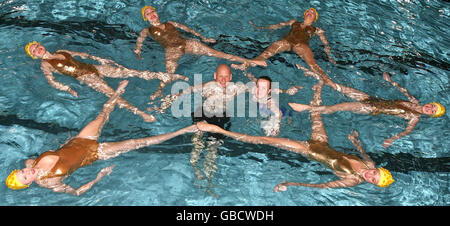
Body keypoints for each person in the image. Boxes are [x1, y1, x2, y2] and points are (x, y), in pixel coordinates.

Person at [5, 80, 198, 195]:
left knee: (103, 114)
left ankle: (118, 90)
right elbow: (77, 192)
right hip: (95, 154)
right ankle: (182, 131)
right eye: (25, 178)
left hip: (80, 140)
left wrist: (64, 145)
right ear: (29, 184)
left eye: (22, 172)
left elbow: (55, 154)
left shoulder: (31, 163)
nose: (27, 173)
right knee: (136, 143)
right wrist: (99, 176)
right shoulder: (51, 183)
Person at [196, 80, 395, 190]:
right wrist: (357, 143)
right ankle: (319, 85)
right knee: (316, 112)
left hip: (307, 150)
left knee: (265, 140)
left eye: (372, 180)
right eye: (375, 174)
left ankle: (219, 130)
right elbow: (364, 154)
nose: (370, 175)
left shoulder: (351, 180)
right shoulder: (369, 164)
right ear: (377, 169)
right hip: (321, 142)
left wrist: (290, 183)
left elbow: (321, 185)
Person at [25, 41, 189, 122]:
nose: (37, 49)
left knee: (132, 72)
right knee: (113, 95)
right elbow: (51, 81)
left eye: (37, 46)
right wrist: (68, 89)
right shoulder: (45, 64)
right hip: (86, 77)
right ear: (35, 56)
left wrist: (100, 59)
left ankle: (169, 76)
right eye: (34, 50)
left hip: (94, 67)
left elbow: (82, 54)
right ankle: (141, 113)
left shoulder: (61, 51)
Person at [292, 66, 446, 148]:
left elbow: (407, 131)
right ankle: (315, 75)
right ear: (430, 103)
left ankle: (309, 109)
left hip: (372, 109)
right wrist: (390, 81)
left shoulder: (415, 117)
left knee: (342, 106)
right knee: (341, 87)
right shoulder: (415, 101)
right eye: (432, 106)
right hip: (372, 99)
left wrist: (392, 139)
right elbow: (403, 91)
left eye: (432, 111)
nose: (429, 109)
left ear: (430, 115)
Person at [134, 6, 267, 99]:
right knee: (169, 73)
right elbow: (140, 40)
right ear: (146, 18)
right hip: (171, 50)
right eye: (148, 14)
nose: (152, 14)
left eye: (153, 11)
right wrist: (138, 50)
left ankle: (252, 61)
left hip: (187, 44)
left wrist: (203, 38)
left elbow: (188, 29)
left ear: (157, 13)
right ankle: (159, 91)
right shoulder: (147, 30)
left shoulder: (170, 23)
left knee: (220, 54)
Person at [231, 8, 336, 85]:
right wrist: (259, 27)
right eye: (308, 11)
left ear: (315, 18)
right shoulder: (294, 22)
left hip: (301, 46)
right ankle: (246, 65)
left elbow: (325, 44)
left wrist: (329, 56)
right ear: (304, 15)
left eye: (313, 13)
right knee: (267, 52)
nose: (310, 13)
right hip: (286, 42)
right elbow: (277, 26)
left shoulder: (317, 30)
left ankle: (328, 81)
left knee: (313, 64)